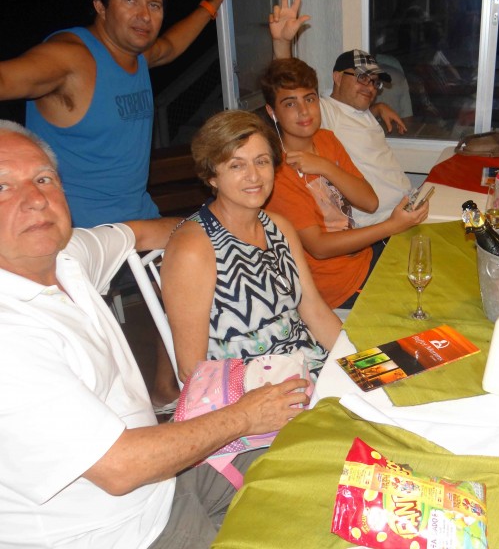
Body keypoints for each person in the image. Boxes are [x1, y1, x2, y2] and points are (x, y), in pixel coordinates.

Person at [0, 120, 309, 548]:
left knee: (311, 462)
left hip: (164, 479)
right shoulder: (11, 337)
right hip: (119, 532)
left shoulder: (68, 256)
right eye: (3, 187)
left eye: (43, 178)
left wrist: (219, 227)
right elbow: (120, 468)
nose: (35, 199)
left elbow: (134, 233)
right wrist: (244, 416)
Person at [0, 0, 231, 227]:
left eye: (154, 5)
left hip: (140, 220)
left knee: (222, 237)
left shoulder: (137, 55)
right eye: (130, 0)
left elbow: (170, 46)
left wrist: (212, 2)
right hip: (82, 236)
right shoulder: (69, 58)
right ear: (100, 5)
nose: (144, 16)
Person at [160, 110, 342, 383]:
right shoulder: (194, 249)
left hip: (307, 366)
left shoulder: (279, 227)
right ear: (212, 176)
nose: (254, 176)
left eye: (261, 161)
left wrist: (359, 361)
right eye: (237, 165)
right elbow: (192, 370)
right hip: (251, 390)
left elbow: (314, 310)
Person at [261, 58, 429, 309]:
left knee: (434, 266)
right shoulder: (277, 172)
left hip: (363, 258)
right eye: (290, 103)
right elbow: (318, 247)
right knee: (424, 301)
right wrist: (392, 226)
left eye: (309, 99)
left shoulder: (326, 139)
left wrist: (325, 166)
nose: (304, 111)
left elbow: (369, 202)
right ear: (272, 112)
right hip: (337, 285)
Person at [268, 0, 415, 228]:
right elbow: (288, 86)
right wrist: (282, 43)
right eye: (361, 77)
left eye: (374, 82)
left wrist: (377, 109)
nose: (370, 87)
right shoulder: (324, 111)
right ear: (337, 77)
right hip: (381, 223)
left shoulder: (361, 112)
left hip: (407, 206)